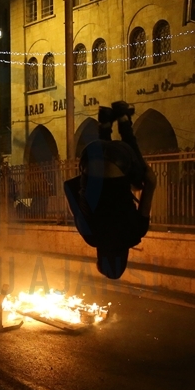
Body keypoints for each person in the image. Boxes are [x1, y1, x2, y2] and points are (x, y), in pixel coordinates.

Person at [64, 101, 157, 279]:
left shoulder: (136, 233)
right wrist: (87, 181)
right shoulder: (89, 236)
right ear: (100, 257)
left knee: (139, 179)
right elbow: (68, 187)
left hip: (120, 156)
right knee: (105, 168)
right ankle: (104, 124)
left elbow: (151, 181)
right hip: (89, 154)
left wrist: (140, 176)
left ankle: (123, 119)